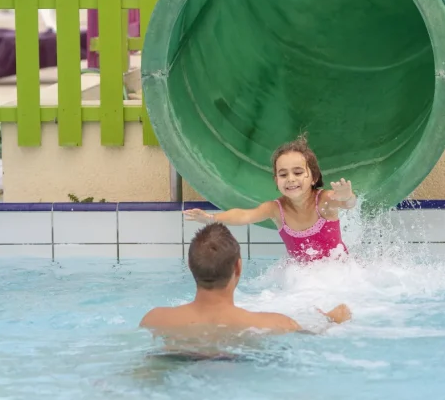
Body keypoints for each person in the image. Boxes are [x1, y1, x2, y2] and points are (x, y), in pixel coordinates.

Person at [140, 223, 351, 343]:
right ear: (238, 267)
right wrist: (333, 320)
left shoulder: (155, 319)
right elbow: (312, 338)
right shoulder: (276, 324)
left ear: (190, 265)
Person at [184, 135, 356, 261]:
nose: (290, 179)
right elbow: (245, 215)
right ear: (276, 181)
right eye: (283, 174)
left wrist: (347, 196)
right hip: (304, 279)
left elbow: (348, 204)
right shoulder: (275, 209)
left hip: (338, 272)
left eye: (298, 172)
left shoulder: (323, 200)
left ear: (314, 177)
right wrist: (211, 218)